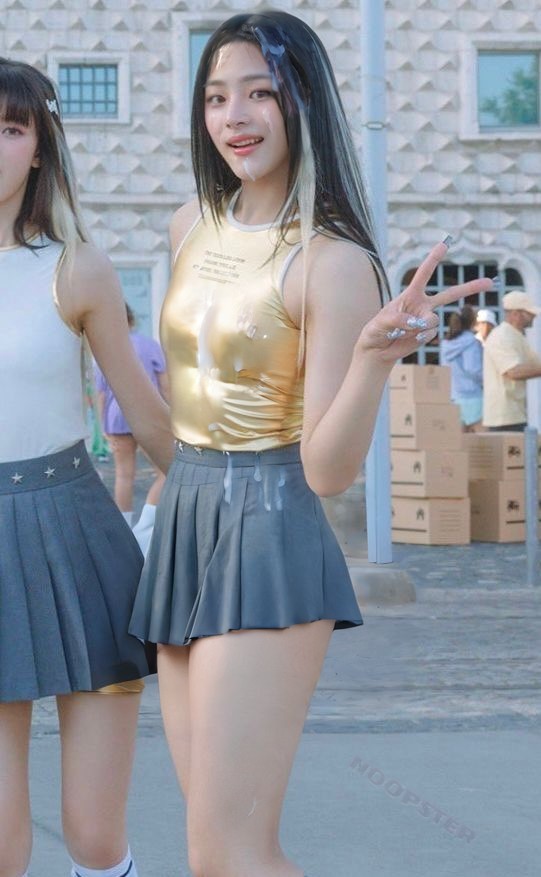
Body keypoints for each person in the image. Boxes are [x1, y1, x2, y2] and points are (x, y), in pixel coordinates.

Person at [129, 12, 494, 877]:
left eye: (260, 92)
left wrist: (371, 358)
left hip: (268, 530)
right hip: (183, 522)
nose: (234, 116)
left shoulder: (333, 260)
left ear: (302, 103)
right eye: (216, 96)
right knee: (208, 848)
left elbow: (327, 469)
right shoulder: (188, 224)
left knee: (232, 849)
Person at [0, 58, 173, 877]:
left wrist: (244, 501)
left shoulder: (76, 267)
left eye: (11, 128)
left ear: (39, 147)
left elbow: (147, 417)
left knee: (93, 835)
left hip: (76, 533)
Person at [95, 302, 169, 545]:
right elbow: (166, 386)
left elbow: (100, 393)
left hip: (116, 418)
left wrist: (102, 425)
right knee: (168, 471)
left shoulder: (105, 348)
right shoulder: (150, 345)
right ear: (132, 319)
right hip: (148, 416)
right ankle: (145, 528)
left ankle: (125, 534)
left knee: (123, 475)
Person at [483, 290, 541, 432]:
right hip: (503, 417)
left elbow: (535, 363)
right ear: (515, 314)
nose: (534, 316)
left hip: (514, 413)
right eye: (529, 313)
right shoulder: (501, 336)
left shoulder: (516, 336)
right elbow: (513, 372)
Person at [441, 304, 484, 431]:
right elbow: (473, 369)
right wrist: (487, 380)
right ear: (472, 321)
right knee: (479, 439)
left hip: (452, 395)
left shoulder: (446, 343)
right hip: (472, 395)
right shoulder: (471, 342)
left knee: (456, 438)